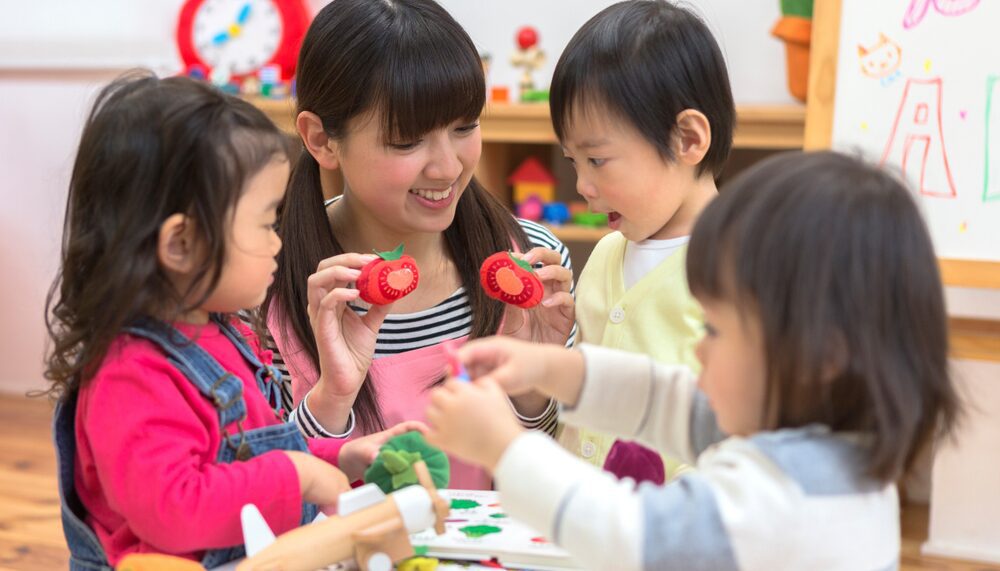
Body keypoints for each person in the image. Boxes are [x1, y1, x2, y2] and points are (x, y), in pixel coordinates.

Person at [426, 151, 962, 570]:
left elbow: (628, 538)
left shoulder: (778, 495)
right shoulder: (818, 446)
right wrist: (546, 369)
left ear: (820, 355)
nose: (701, 347)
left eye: (716, 329)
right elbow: (665, 399)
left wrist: (505, 448)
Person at [44, 72, 420, 569]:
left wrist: (337, 459)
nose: (277, 242)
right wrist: (298, 475)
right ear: (181, 244)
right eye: (265, 223)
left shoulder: (224, 330)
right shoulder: (129, 374)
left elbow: (244, 455)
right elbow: (174, 511)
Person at [262, 0, 576, 490]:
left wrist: (534, 385)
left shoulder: (532, 257)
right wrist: (333, 396)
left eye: (464, 127)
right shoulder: (265, 284)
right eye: (407, 142)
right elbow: (258, 484)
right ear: (321, 139)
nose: (447, 167)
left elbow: (563, 472)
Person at [548, 0, 735, 482]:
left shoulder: (740, 265)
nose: (582, 186)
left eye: (597, 160)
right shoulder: (608, 252)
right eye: (572, 162)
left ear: (687, 140)